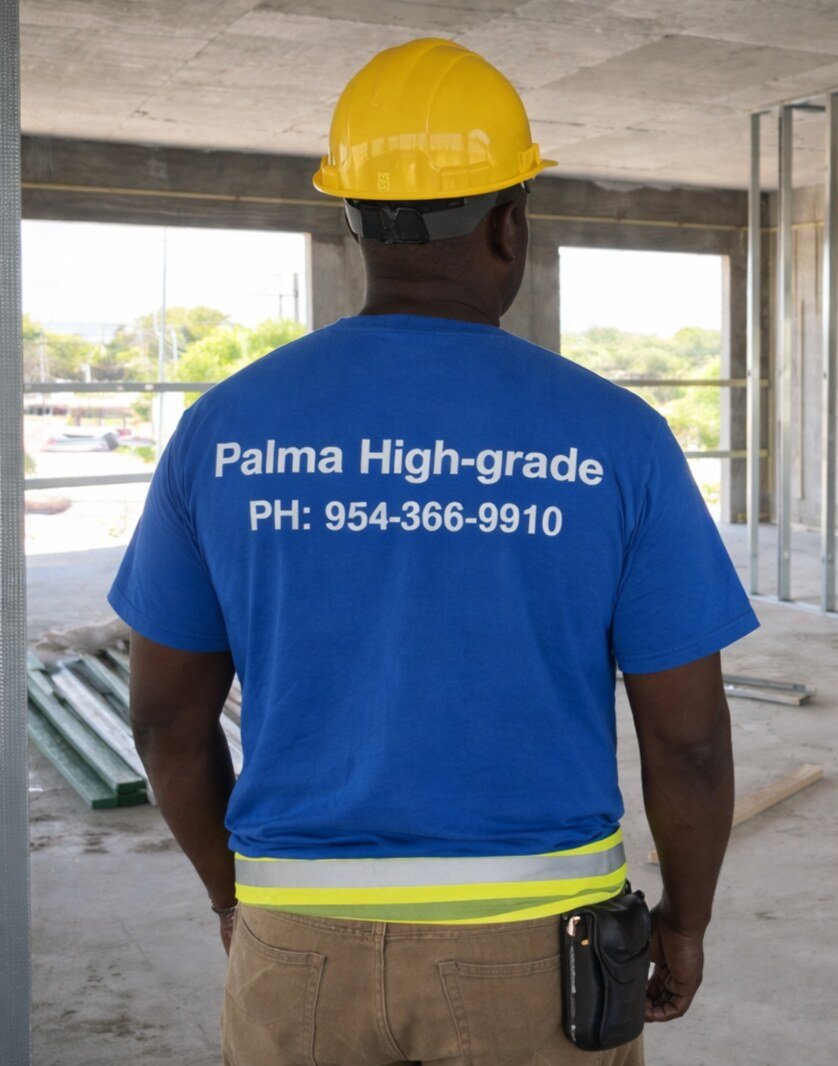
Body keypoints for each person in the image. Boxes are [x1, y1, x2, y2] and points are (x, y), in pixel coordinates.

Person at [111, 38, 757, 1065]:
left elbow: (162, 718)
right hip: (542, 949)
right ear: (509, 224)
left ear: (354, 221)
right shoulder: (615, 437)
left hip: (297, 941)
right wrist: (685, 921)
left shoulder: (223, 431)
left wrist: (243, 907)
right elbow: (687, 742)